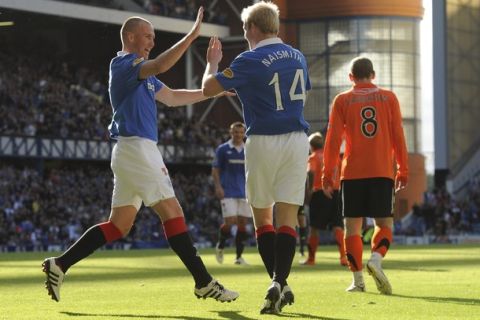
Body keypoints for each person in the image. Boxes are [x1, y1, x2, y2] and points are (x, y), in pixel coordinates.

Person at [42, 7, 239, 303]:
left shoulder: (141, 72)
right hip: (138, 149)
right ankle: (204, 281)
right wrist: (191, 36)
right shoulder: (123, 65)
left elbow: (173, 98)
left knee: (118, 225)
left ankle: (60, 264)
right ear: (130, 37)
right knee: (172, 212)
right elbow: (160, 65)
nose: (152, 41)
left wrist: (214, 85)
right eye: (147, 36)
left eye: (154, 37)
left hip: (130, 151)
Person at [202, 1, 310, 314]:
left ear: (251, 28)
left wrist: (213, 63)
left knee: (263, 218)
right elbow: (288, 91)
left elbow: (209, 88)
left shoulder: (249, 58)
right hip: (297, 140)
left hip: (263, 140)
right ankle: (280, 282)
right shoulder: (298, 55)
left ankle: (277, 281)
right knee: (288, 217)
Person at [322, 56, 408, 295]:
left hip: (352, 174)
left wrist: (327, 173)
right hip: (381, 171)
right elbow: (398, 135)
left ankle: (358, 281)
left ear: (350, 77)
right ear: (373, 75)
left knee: (352, 228)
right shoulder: (389, 98)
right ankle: (377, 259)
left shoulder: (342, 100)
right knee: (384, 224)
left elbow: (333, 140)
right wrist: (403, 168)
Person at [300, 132, 347, 267]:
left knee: (314, 227)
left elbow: (310, 172)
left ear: (311, 146)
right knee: (338, 225)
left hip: (320, 193)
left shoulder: (313, 157)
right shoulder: (334, 157)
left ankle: (311, 259)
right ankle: (343, 257)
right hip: (336, 192)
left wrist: (309, 190)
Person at [212, 121, 252, 265]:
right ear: (231, 133)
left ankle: (239, 257)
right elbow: (215, 170)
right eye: (236, 132)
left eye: (241, 132)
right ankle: (221, 245)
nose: (239, 135)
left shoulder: (249, 149)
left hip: (245, 192)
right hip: (228, 190)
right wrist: (218, 187)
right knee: (230, 222)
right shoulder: (223, 149)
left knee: (242, 223)